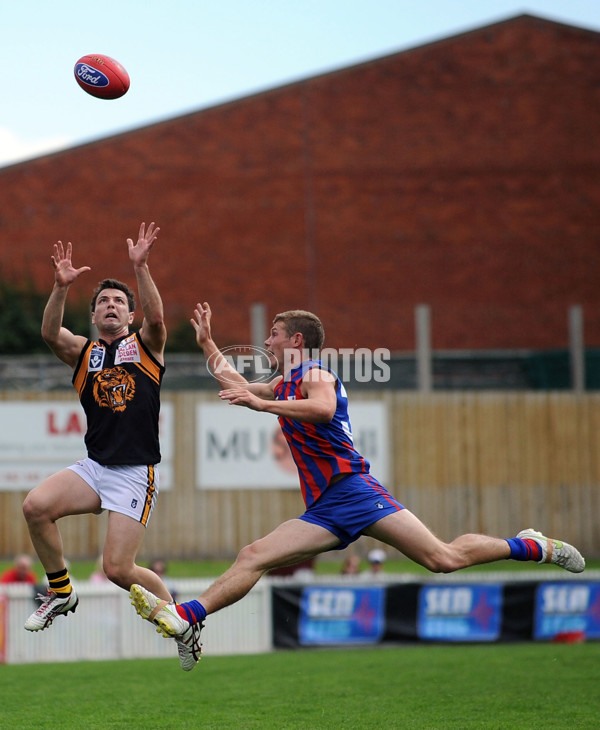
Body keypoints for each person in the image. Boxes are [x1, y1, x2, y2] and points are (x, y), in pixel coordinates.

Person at [130, 304, 586, 671]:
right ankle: (188, 618)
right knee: (254, 555)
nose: (266, 340)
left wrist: (259, 404)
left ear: (296, 341)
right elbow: (238, 383)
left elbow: (324, 409)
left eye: (273, 332)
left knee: (442, 559)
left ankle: (530, 546)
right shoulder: (285, 382)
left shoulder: (315, 373)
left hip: (355, 492)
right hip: (326, 507)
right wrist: (209, 343)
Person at [21, 223, 193, 664]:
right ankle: (61, 592)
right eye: (103, 302)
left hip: (135, 470)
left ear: (129, 316)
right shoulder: (84, 353)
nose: (111, 305)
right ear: (94, 317)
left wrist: (142, 267)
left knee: (117, 570)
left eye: (119, 302)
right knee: (35, 506)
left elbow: (157, 319)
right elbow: (49, 334)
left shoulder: (148, 346)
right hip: (96, 467)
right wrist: (60, 287)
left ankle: (181, 622)